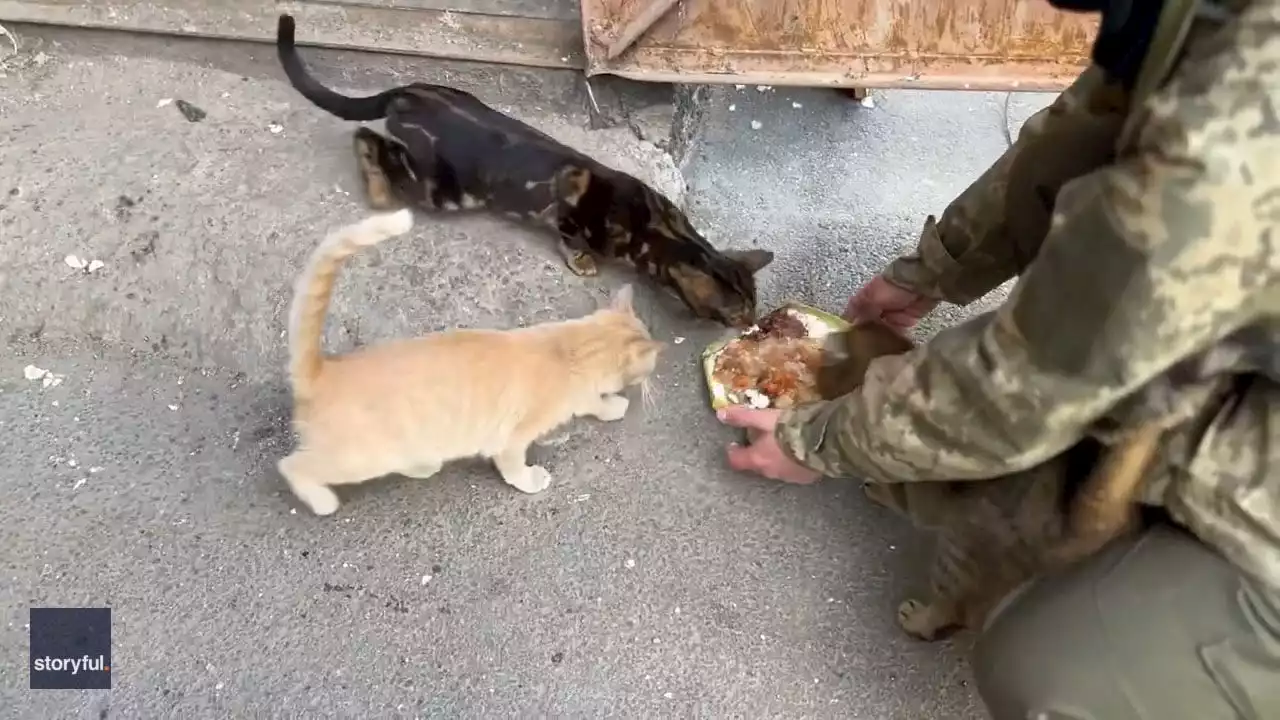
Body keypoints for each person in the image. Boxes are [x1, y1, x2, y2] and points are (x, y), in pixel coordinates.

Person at [718, 0, 1280, 717]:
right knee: (1034, 442)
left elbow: (1026, 387)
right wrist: (934, 266)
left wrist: (815, 441)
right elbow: (1090, 123)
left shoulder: (1244, 124)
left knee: (1047, 673)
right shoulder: (1207, 18)